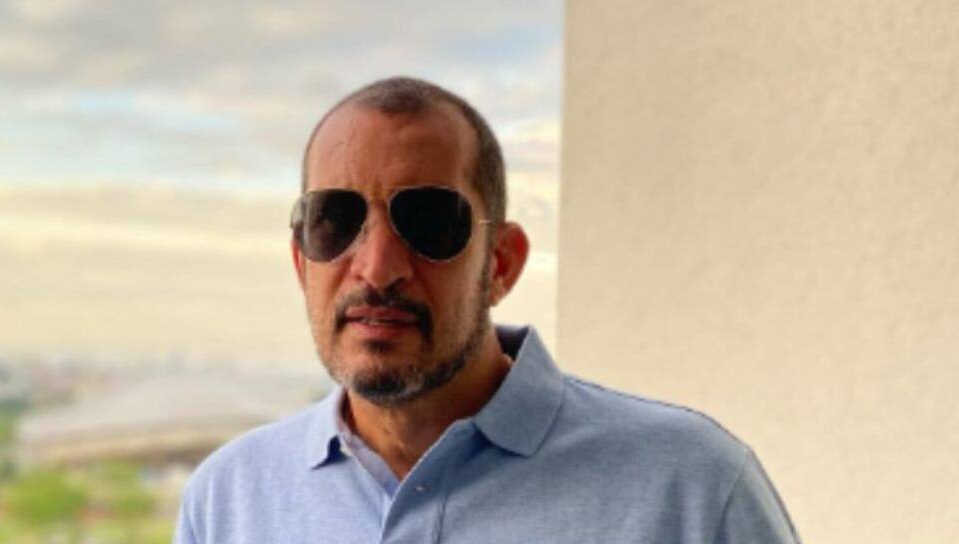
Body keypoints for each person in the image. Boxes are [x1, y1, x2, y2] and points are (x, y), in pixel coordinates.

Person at [174, 76, 800, 543]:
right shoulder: (229, 499)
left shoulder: (689, 487)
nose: (377, 267)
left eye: (428, 221)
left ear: (501, 263)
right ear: (300, 262)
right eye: (334, 220)